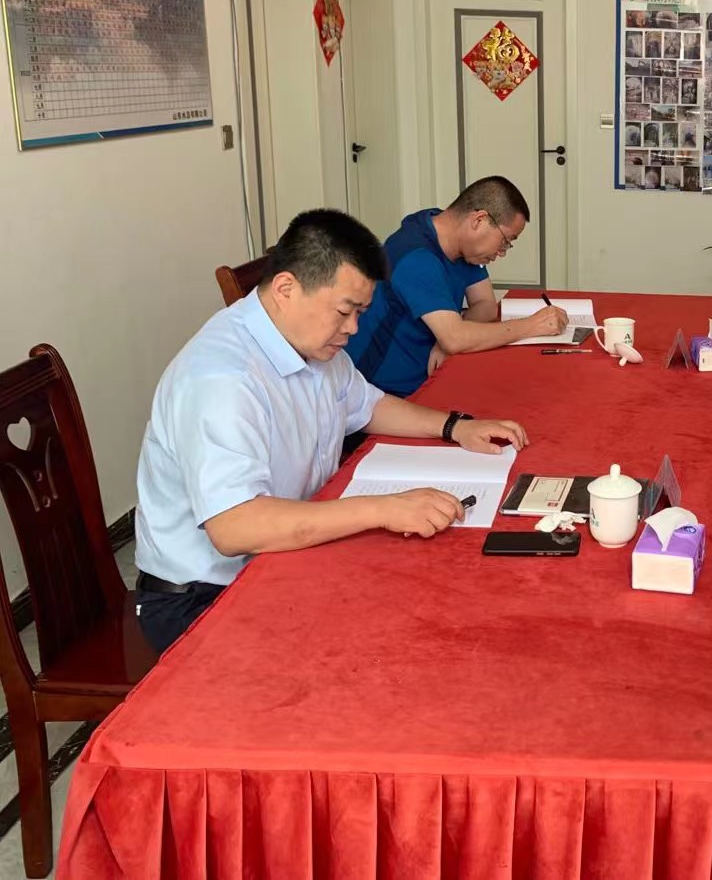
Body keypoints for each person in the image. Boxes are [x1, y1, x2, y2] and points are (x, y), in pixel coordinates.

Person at [134, 210, 529, 652]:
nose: (353, 328)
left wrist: (455, 426)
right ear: (286, 289)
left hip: (281, 558)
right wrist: (383, 508)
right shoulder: (222, 379)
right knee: (387, 644)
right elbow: (236, 527)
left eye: (360, 312)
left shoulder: (309, 341)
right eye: (345, 311)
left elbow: (367, 405)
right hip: (202, 599)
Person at [347, 176, 567, 396]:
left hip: (432, 376)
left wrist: (449, 338)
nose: (502, 252)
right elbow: (455, 338)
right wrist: (532, 325)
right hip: (385, 392)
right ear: (479, 220)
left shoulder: (455, 239)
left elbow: (486, 306)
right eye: (505, 241)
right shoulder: (416, 257)